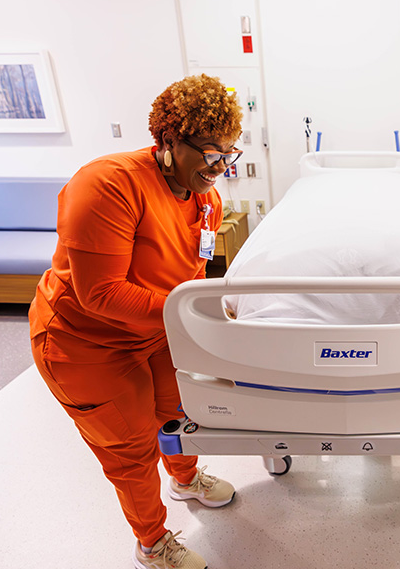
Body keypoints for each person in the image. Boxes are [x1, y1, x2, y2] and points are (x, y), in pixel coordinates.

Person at [29, 74, 244, 569]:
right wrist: (190, 317)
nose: (220, 167)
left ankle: (187, 479)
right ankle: (151, 543)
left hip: (156, 332)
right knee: (131, 450)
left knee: (180, 413)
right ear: (169, 140)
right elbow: (99, 292)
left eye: (228, 154)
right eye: (210, 153)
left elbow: (192, 269)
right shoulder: (107, 184)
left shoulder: (205, 199)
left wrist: (211, 308)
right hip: (85, 344)